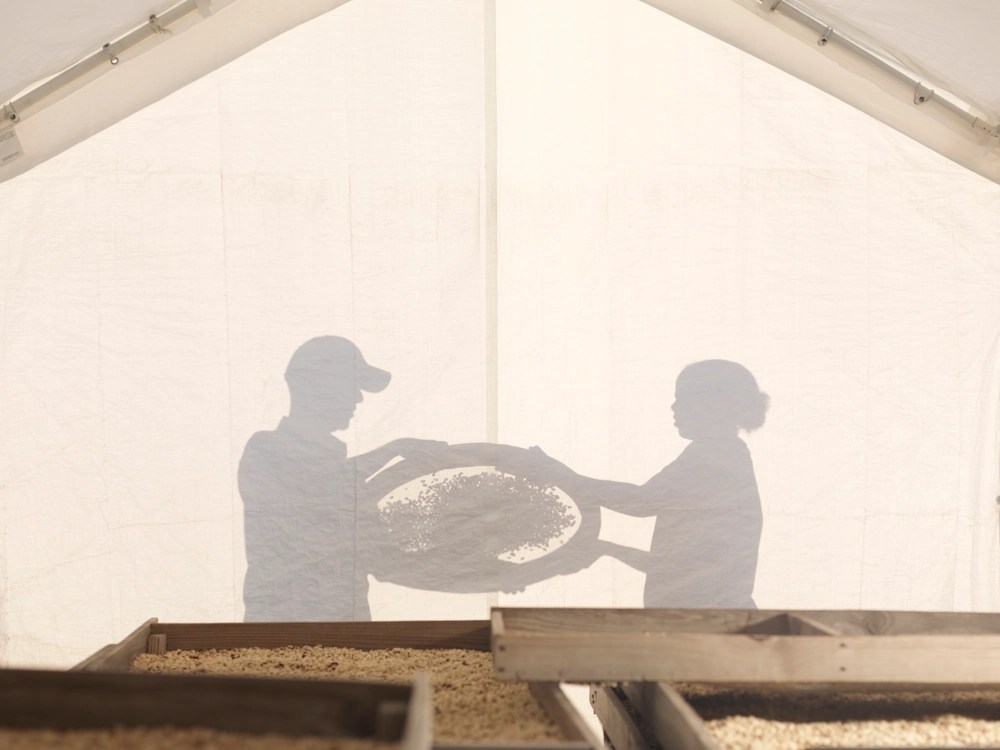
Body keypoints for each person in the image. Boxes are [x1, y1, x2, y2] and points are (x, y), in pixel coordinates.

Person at [510, 360, 768, 608]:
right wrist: (606, 549)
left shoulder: (715, 456)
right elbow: (678, 565)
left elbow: (641, 502)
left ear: (712, 404)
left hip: (706, 626)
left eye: (683, 398)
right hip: (702, 622)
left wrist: (559, 475)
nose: (673, 407)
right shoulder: (721, 453)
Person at [239, 336, 433, 621]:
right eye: (351, 386)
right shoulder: (266, 449)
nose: (358, 398)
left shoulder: (333, 464)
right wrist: (395, 452)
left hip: (347, 633)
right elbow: (318, 485)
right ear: (317, 388)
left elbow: (380, 555)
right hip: (280, 633)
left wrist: (484, 572)